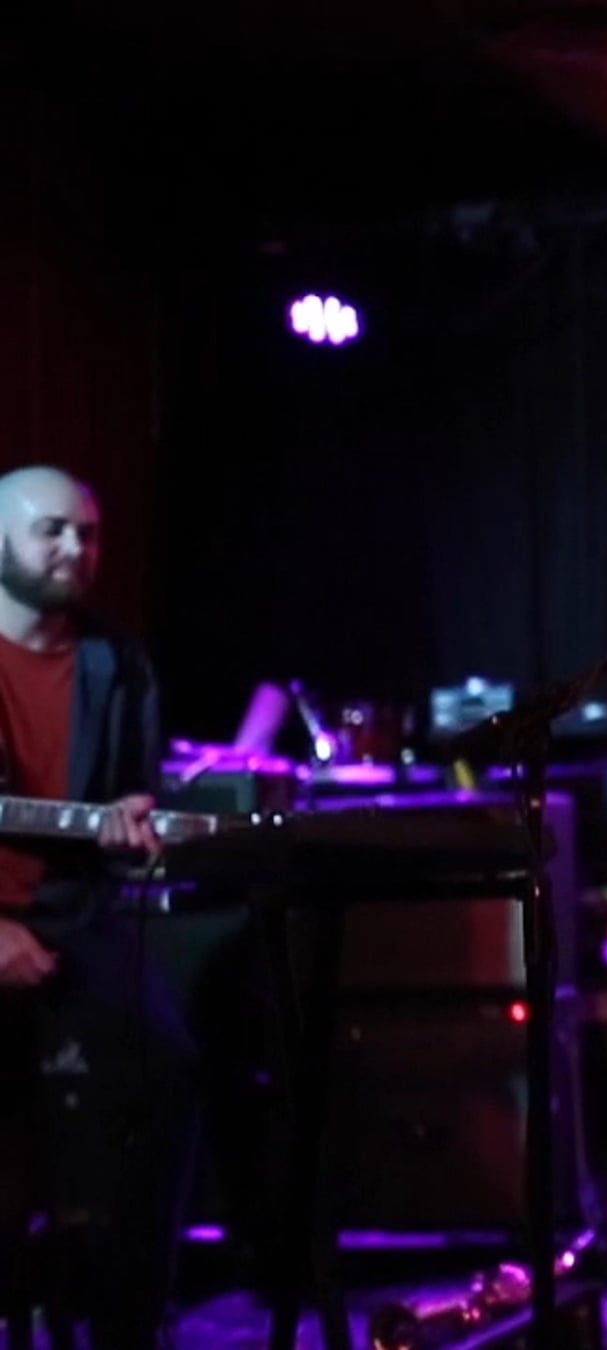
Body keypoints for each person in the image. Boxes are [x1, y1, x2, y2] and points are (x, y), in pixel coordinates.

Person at [0, 465, 197, 1349]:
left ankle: (126, 1324)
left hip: (73, 916)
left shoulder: (119, 664)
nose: (75, 549)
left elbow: (129, 805)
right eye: (51, 530)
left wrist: (130, 825)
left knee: (170, 1069)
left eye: (87, 533)